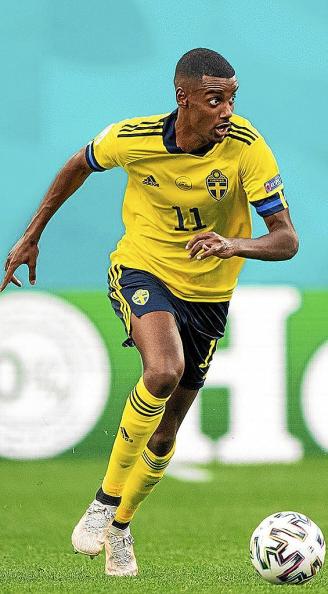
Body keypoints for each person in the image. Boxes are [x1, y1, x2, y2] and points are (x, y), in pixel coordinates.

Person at [0, 48, 298, 577]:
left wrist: (232, 245)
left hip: (209, 294)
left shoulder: (247, 147)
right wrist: (31, 234)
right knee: (163, 370)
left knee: (166, 432)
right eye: (214, 99)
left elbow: (286, 240)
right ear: (183, 98)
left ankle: (120, 527)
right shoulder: (133, 139)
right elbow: (77, 164)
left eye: (232, 98)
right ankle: (102, 502)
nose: (227, 110)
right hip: (143, 268)